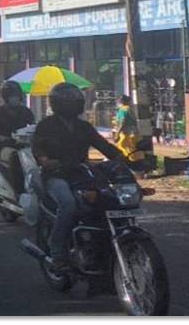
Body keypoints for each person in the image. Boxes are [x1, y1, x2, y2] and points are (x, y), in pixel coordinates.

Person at [32, 83, 126, 271]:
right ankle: (57, 252)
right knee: (68, 204)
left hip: (81, 173)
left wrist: (124, 158)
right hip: (55, 176)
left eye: (75, 100)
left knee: (110, 199)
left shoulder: (84, 127)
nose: (73, 103)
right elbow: (38, 148)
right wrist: (45, 160)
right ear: (57, 103)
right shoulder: (46, 125)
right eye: (69, 100)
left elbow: (103, 145)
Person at [0, 80, 35, 191]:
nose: (15, 98)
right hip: (6, 146)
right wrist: (8, 138)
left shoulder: (26, 111)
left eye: (16, 95)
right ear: (6, 97)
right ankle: (18, 191)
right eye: (12, 96)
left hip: (25, 146)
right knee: (16, 159)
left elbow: (33, 127)